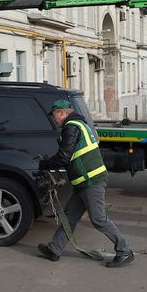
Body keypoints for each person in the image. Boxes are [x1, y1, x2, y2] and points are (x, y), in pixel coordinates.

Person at [37, 99, 134, 268]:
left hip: (91, 180)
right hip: (84, 181)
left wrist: (45, 164)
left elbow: (64, 156)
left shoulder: (72, 127)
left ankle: (124, 251)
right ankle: (55, 248)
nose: (54, 120)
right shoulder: (79, 125)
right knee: (69, 217)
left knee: (98, 219)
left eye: (54, 116)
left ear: (62, 113)